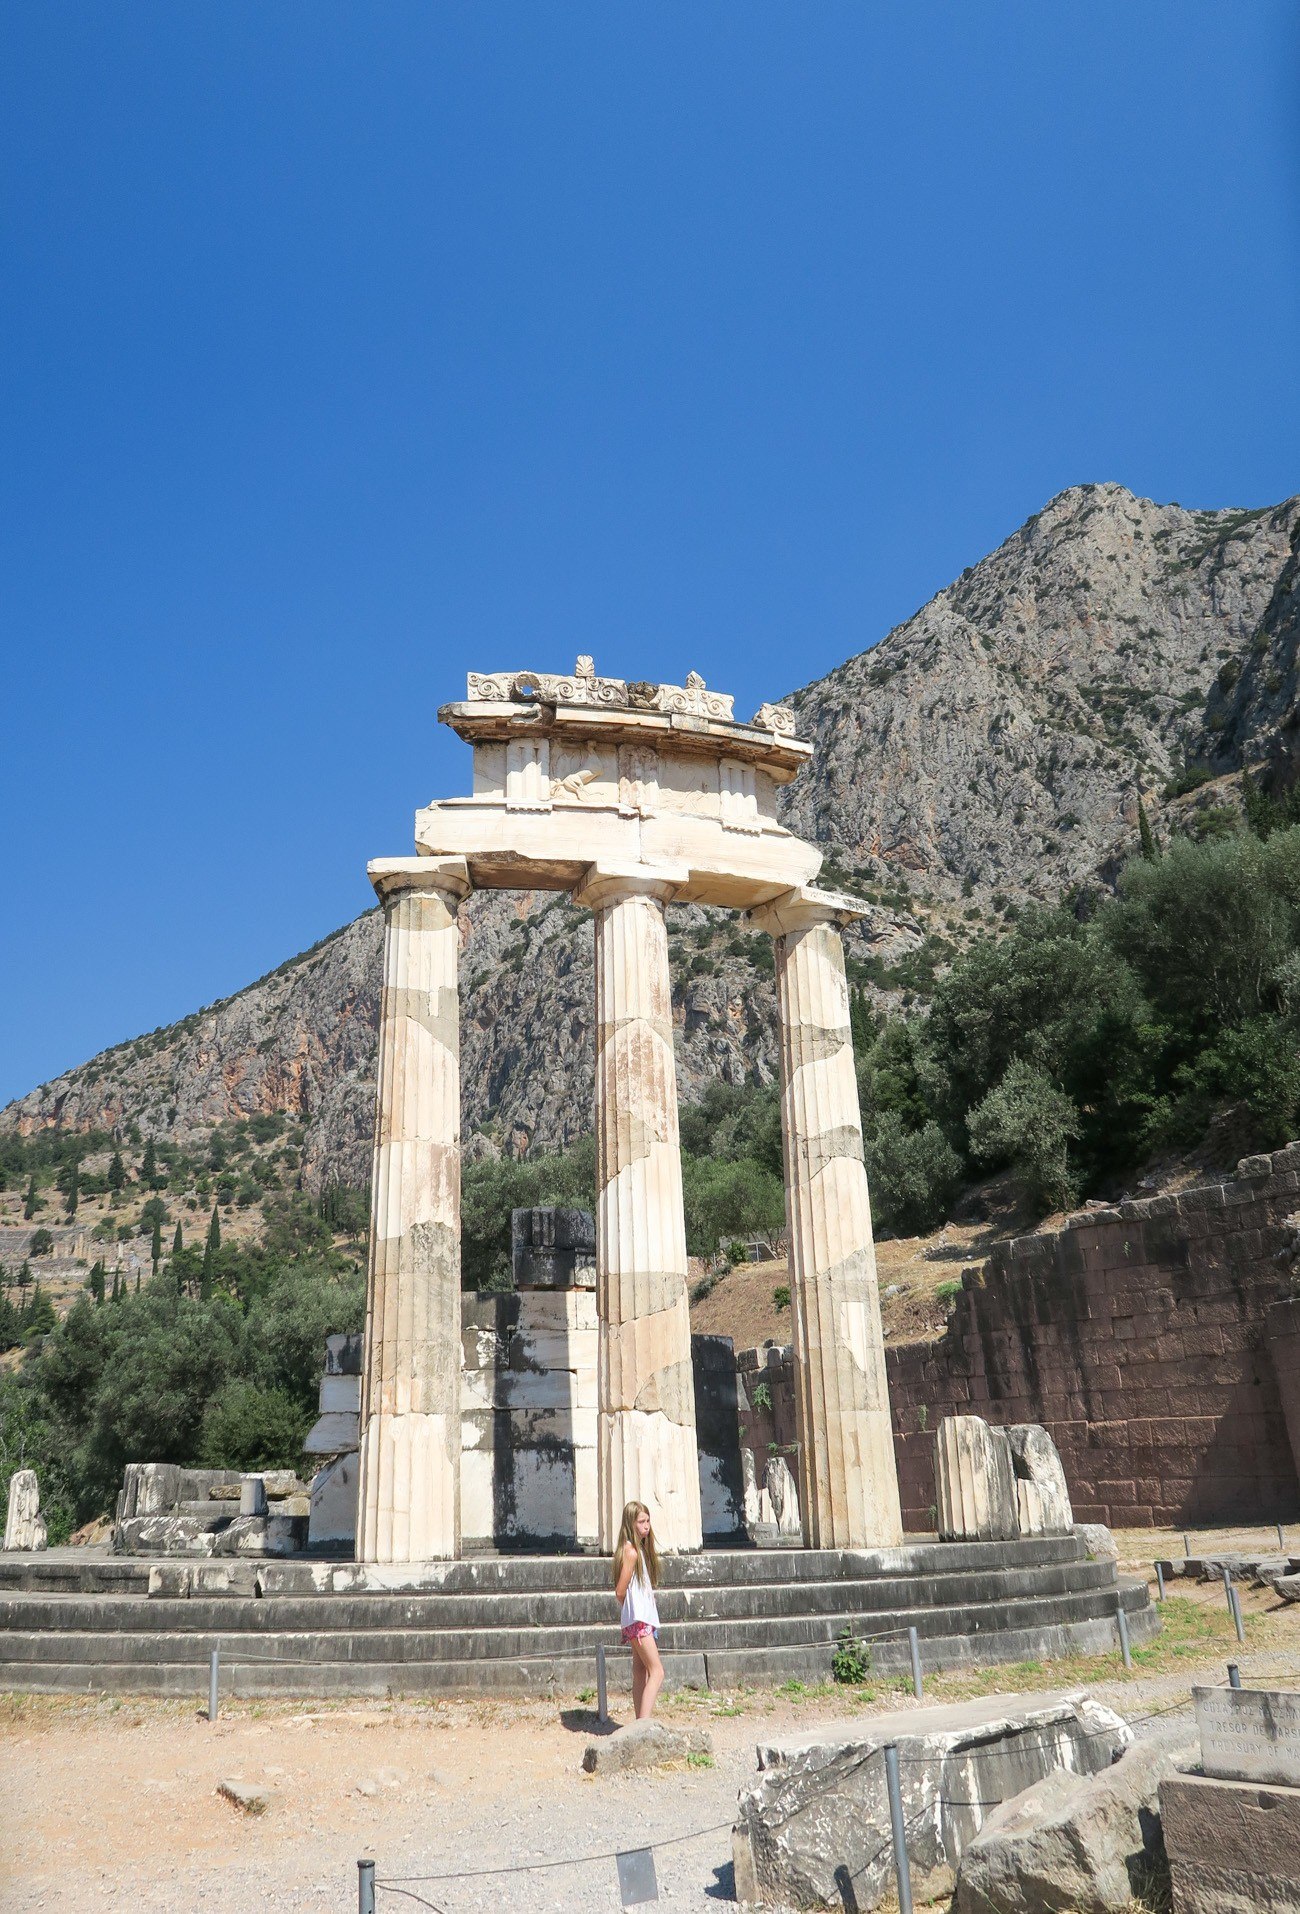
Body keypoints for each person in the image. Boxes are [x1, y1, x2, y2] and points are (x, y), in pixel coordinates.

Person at [613, 1499, 663, 1720]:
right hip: (639, 1620)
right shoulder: (631, 1552)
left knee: (640, 1671)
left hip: (637, 1620)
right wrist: (633, 1611)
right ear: (631, 1523)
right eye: (641, 1521)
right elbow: (620, 1591)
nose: (646, 1526)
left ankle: (638, 1723)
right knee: (657, 1672)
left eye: (648, 1520)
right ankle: (644, 1722)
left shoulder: (636, 1550)